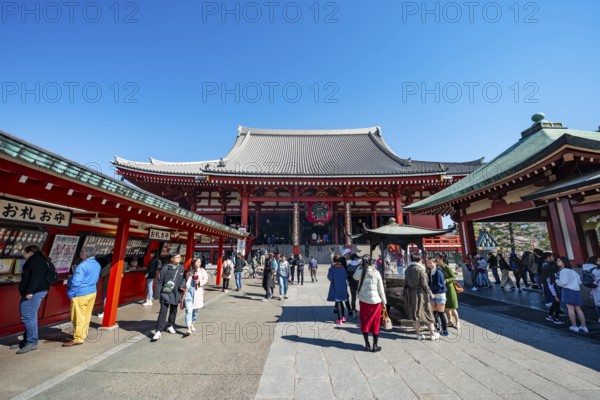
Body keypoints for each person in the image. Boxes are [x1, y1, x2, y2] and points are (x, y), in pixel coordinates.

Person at [14, 245, 51, 354]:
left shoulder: (36, 261)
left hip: (34, 292)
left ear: (30, 253)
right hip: (36, 291)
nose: (23, 255)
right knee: (31, 317)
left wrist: (30, 291)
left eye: (24, 253)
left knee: (27, 316)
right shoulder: (39, 259)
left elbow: (36, 277)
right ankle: (27, 341)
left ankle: (31, 342)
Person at [63, 246, 101, 347]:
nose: (80, 255)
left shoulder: (82, 265)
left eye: (81, 253)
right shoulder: (97, 264)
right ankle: (83, 334)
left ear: (84, 255)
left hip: (80, 294)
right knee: (86, 316)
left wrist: (71, 293)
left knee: (78, 317)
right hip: (92, 292)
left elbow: (76, 282)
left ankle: (78, 338)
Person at [353, 255, 386, 352]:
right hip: (376, 302)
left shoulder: (360, 271)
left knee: (365, 322)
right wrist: (384, 301)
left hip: (364, 301)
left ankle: (367, 344)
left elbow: (354, 277)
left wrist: (360, 266)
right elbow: (381, 289)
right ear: (371, 262)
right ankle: (375, 345)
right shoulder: (376, 272)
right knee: (376, 323)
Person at [152, 253, 186, 341]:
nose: (179, 258)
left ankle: (170, 325)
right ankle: (158, 331)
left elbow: (184, 279)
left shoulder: (181, 268)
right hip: (166, 293)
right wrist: (157, 294)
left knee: (173, 311)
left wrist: (182, 285)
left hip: (176, 293)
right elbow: (159, 281)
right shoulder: (165, 268)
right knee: (163, 312)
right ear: (172, 258)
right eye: (177, 257)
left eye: (179, 257)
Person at [404, 252, 437, 341]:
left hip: (411, 294)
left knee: (414, 314)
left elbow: (406, 283)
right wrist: (430, 293)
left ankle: (418, 334)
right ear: (419, 259)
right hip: (421, 294)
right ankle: (432, 334)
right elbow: (424, 284)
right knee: (427, 312)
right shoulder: (420, 269)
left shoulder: (407, 270)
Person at [555, 256, 588, 333]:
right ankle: (584, 326)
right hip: (576, 291)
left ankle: (574, 326)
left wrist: (557, 280)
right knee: (578, 309)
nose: (557, 262)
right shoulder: (573, 271)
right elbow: (580, 282)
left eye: (559, 261)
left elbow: (563, 282)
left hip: (567, 290)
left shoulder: (563, 271)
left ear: (563, 262)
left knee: (570, 309)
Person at [181, 258, 209, 336]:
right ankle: (189, 328)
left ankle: (192, 323)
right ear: (193, 262)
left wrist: (199, 282)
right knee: (189, 310)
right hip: (188, 292)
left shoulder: (202, 270)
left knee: (195, 311)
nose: (199, 263)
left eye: (200, 262)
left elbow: (206, 279)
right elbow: (184, 280)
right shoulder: (189, 271)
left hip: (197, 292)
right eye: (197, 262)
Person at [436, 253, 461, 330]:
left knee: (452, 307)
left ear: (441, 259)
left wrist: (446, 280)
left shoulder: (446, 267)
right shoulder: (438, 267)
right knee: (446, 307)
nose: (436, 259)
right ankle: (449, 321)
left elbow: (453, 277)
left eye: (437, 258)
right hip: (442, 289)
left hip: (450, 288)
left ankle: (458, 322)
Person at [427, 257, 448, 336]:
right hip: (432, 294)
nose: (429, 264)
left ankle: (445, 330)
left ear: (435, 263)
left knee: (441, 312)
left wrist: (429, 288)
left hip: (440, 293)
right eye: (428, 263)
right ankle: (437, 325)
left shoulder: (438, 272)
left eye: (431, 263)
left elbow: (440, 284)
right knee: (433, 311)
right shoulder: (429, 272)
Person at [541, 253, 563, 324]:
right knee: (556, 301)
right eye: (552, 256)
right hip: (552, 285)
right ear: (548, 257)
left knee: (555, 302)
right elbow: (550, 277)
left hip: (550, 284)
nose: (553, 258)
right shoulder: (546, 265)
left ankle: (550, 316)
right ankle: (556, 318)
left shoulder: (546, 264)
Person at [327, 255, 348, 324]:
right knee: (342, 301)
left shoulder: (332, 269)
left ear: (333, 261)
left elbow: (330, 278)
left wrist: (330, 269)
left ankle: (339, 319)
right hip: (343, 286)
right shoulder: (343, 268)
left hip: (336, 286)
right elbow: (345, 277)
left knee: (338, 301)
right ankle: (343, 317)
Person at [582, 256, 600, 323]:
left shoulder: (586, 268)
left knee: (597, 303)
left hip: (595, 288)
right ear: (594, 262)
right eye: (598, 261)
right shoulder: (596, 269)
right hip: (598, 287)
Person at [346, 253, 360, 318]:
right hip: (359, 284)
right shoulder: (359, 265)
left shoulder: (349, 266)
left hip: (351, 283)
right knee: (361, 298)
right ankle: (362, 311)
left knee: (353, 298)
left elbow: (347, 275)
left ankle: (354, 313)